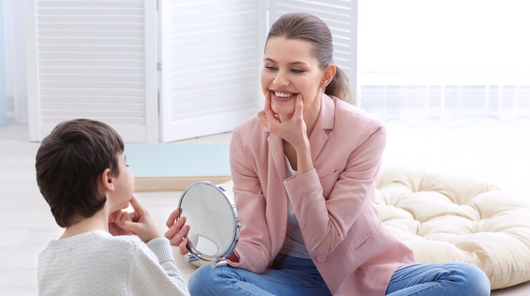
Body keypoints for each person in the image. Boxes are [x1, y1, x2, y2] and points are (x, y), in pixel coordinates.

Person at [178, 12, 491, 296]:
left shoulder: (366, 133)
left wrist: (301, 150)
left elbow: (324, 241)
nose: (278, 81)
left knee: (469, 280)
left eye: (296, 69)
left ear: (325, 76)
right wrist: (217, 250)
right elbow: (257, 244)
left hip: (360, 272)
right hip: (289, 277)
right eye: (270, 66)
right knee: (207, 281)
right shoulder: (246, 138)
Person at [35, 119, 190, 296]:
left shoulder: (47, 260)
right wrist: (155, 242)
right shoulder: (127, 251)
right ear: (109, 179)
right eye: (126, 165)